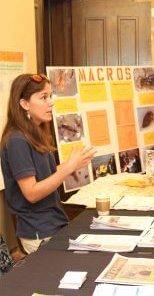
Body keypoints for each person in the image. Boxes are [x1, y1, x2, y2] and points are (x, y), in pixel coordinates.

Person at [0, 74, 96, 254]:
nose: (51, 102)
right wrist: (68, 168)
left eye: (50, 96)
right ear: (24, 104)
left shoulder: (34, 133)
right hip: (39, 230)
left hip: (54, 221)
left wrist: (72, 165)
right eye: (44, 97)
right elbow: (32, 193)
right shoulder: (17, 141)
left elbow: (47, 176)